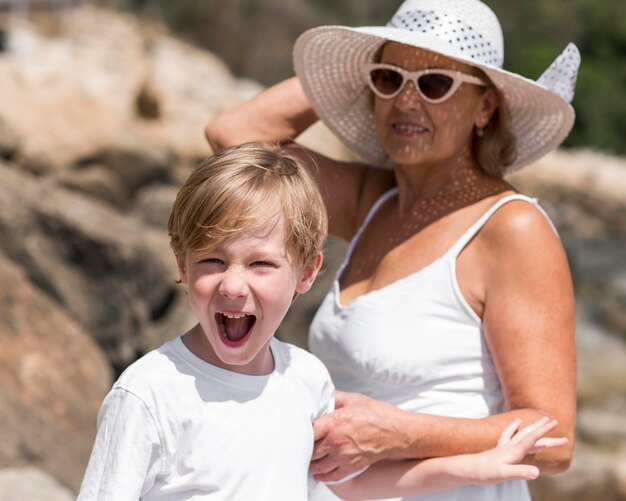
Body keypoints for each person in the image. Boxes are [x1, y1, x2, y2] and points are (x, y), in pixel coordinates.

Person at [204, 0, 580, 500]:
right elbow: (233, 137)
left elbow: (552, 439)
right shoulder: (372, 202)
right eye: (389, 80)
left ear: (486, 106)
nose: (406, 101)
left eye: (434, 84)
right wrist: (353, 69)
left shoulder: (512, 228)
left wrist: (400, 434)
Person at [77, 142, 566, 500]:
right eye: (212, 261)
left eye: (261, 264)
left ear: (307, 271)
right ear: (181, 265)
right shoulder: (148, 394)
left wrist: (473, 467)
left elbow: (346, 486)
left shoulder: (305, 379)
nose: (232, 285)